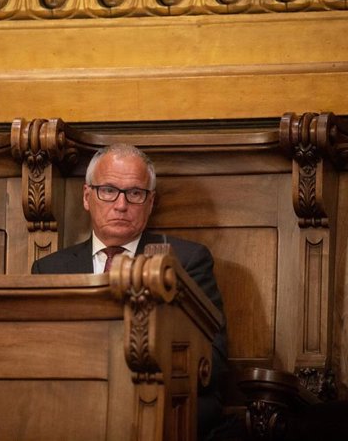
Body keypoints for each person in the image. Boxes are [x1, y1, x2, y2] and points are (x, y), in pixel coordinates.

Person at [32, 143, 228, 440]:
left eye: (135, 193)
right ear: (87, 197)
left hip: (163, 403)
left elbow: (213, 360)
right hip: (76, 403)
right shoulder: (49, 269)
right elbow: (38, 355)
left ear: (150, 202)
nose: (121, 205)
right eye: (108, 190)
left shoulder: (187, 261)